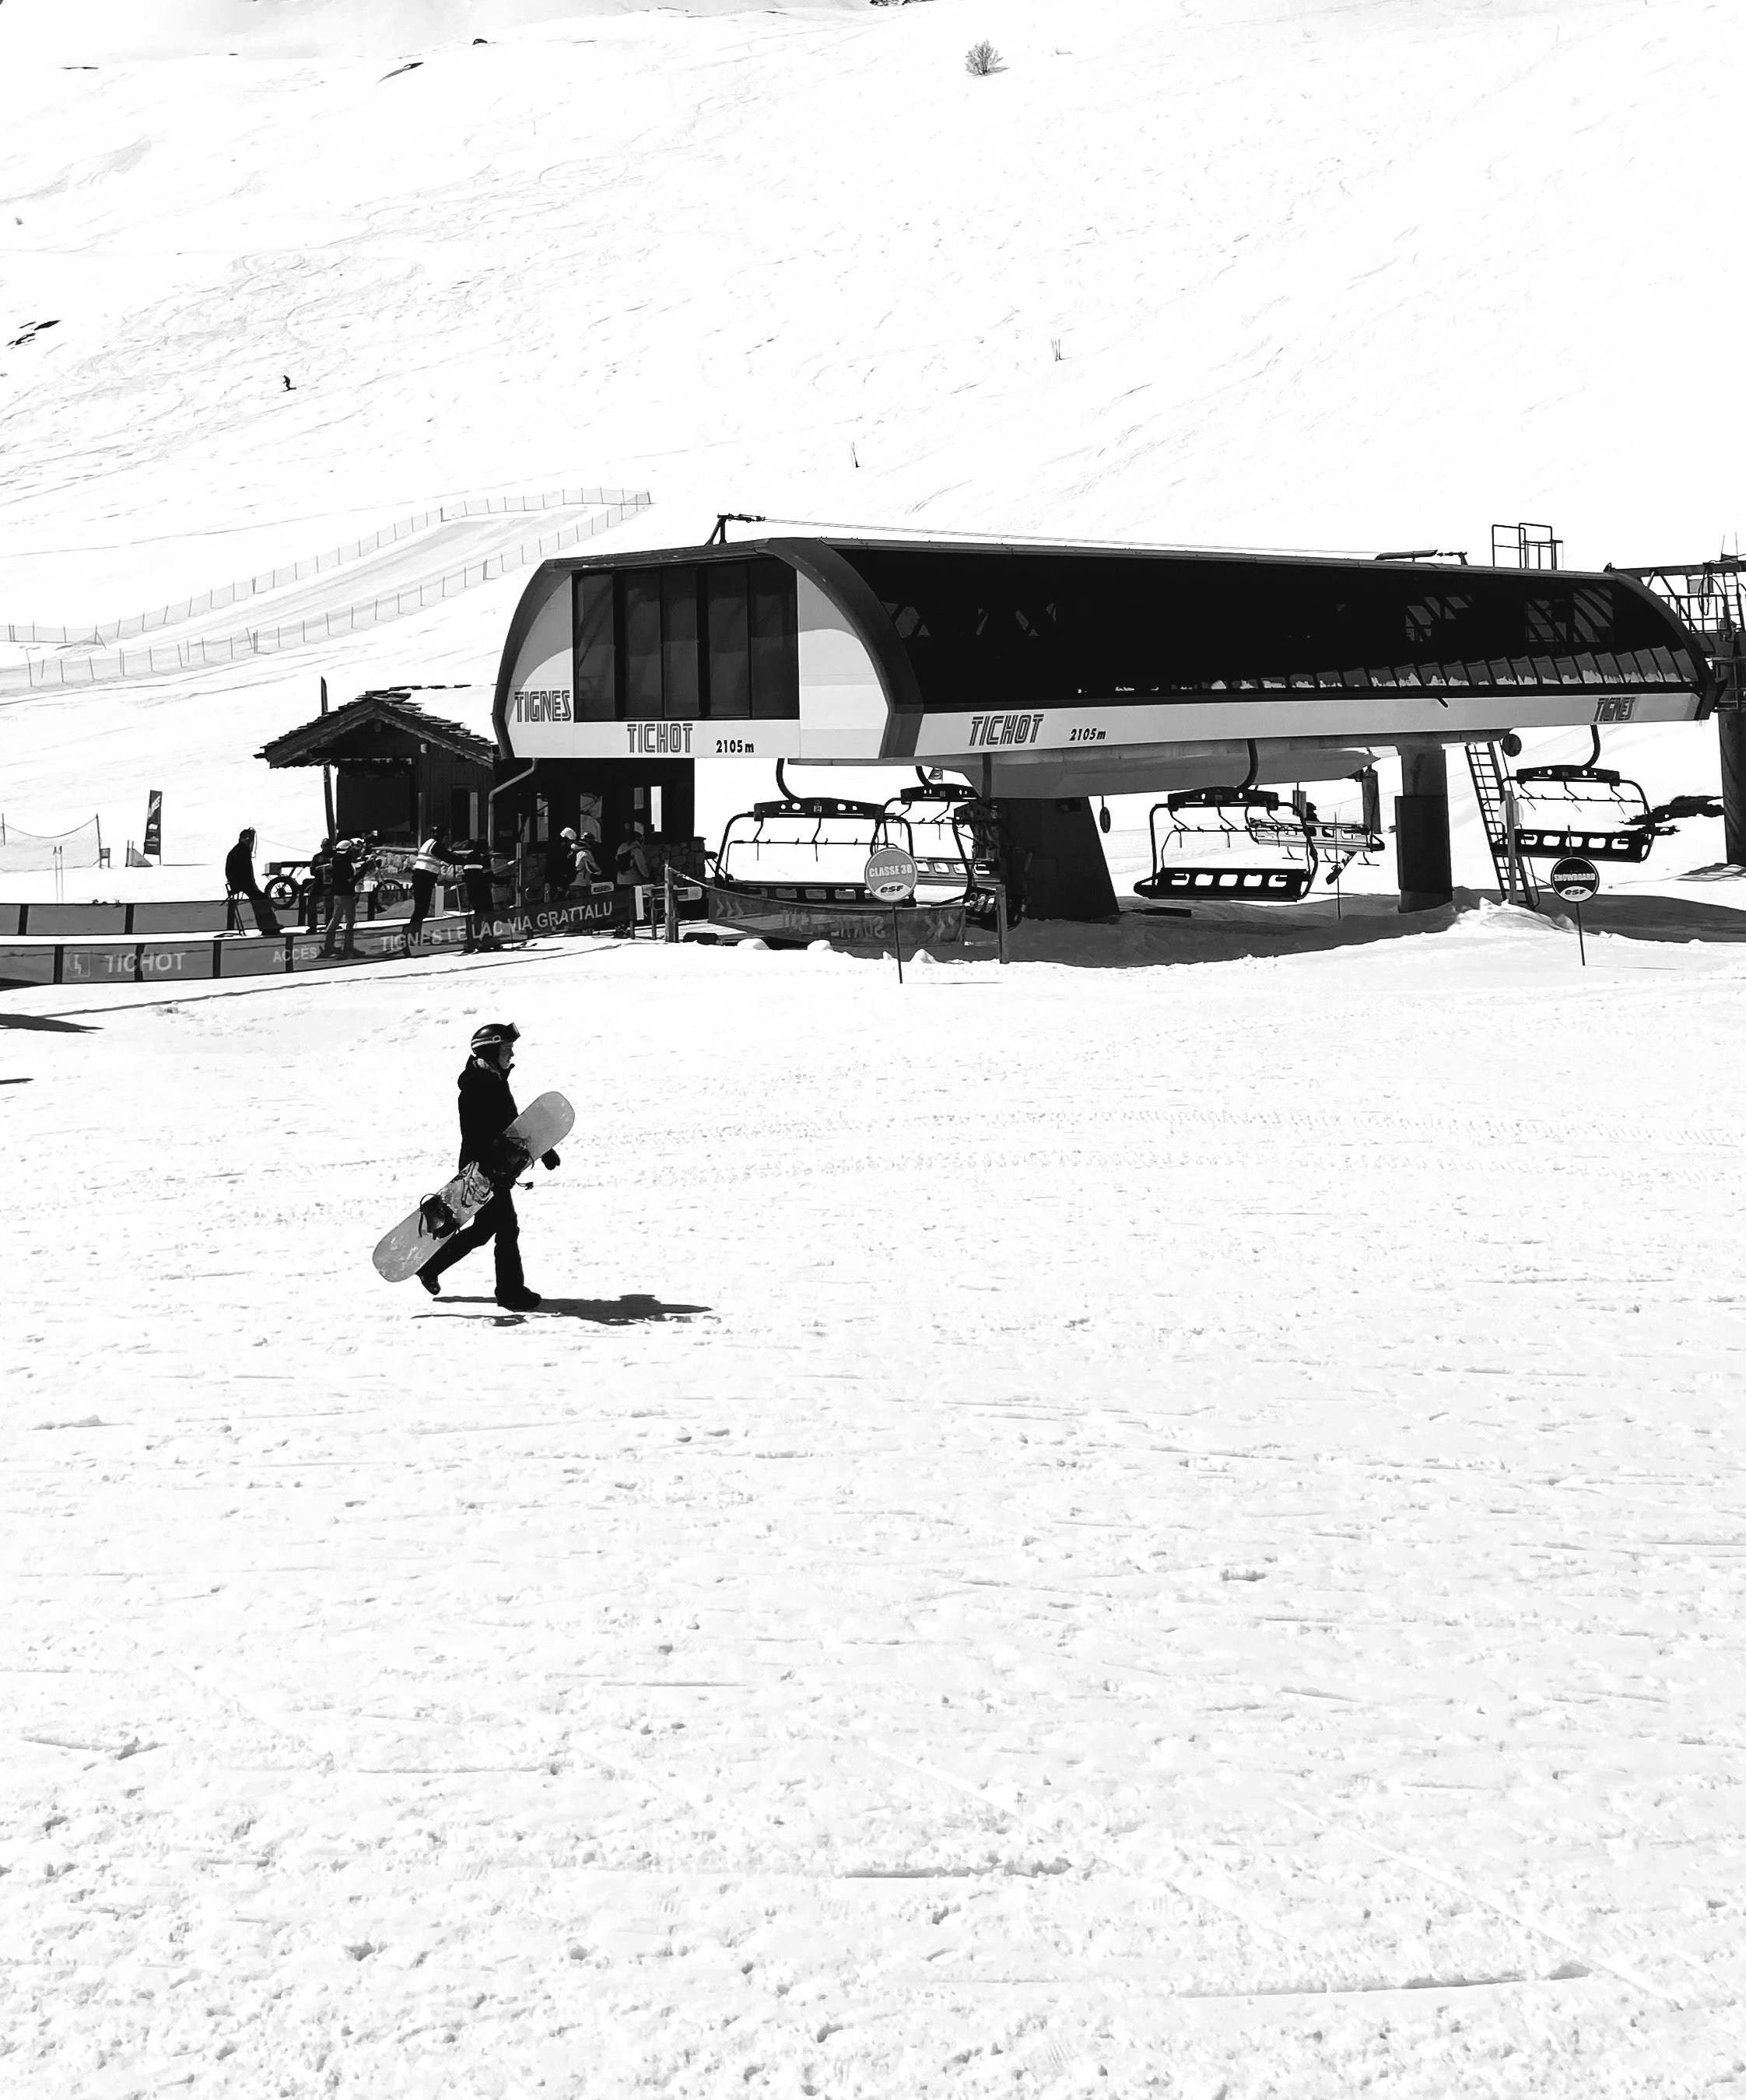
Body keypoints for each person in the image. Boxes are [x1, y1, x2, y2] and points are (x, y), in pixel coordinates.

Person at [418, 1022, 554, 1309]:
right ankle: (510, 1292)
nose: (512, 1055)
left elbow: (513, 1125)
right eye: (507, 1049)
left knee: (487, 1229)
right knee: (506, 1228)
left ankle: (431, 1267)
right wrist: (496, 1167)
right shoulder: (477, 1086)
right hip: (485, 1169)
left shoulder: (493, 1078)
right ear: (491, 1049)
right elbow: (484, 1132)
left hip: (495, 1166)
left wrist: (542, 1150)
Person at [223, 827, 282, 936]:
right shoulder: (240, 851)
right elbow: (240, 871)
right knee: (260, 899)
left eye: (249, 838)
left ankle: (268, 926)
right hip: (242, 883)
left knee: (260, 898)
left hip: (243, 883)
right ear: (241, 839)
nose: (248, 840)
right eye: (246, 838)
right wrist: (241, 883)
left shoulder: (240, 850)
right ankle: (268, 927)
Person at [406, 826, 451, 949]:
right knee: (421, 909)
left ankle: (415, 934)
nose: (447, 839)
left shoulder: (429, 842)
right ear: (443, 836)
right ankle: (412, 936)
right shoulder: (436, 846)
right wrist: (465, 860)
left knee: (421, 908)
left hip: (421, 877)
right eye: (446, 837)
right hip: (424, 878)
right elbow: (448, 857)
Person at [319, 836, 362, 957]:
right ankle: (348, 948)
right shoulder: (345, 864)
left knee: (335, 920)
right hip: (346, 895)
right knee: (350, 921)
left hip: (338, 894)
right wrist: (364, 870)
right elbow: (351, 881)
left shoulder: (337, 860)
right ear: (347, 851)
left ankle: (328, 946)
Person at [458, 838, 500, 952]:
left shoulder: (469, 858)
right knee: (489, 915)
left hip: (472, 891)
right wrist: (506, 880)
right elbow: (489, 876)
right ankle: (487, 940)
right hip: (483, 891)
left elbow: (466, 876)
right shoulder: (483, 858)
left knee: (478, 916)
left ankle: (472, 941)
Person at [545, 827, 579, 902]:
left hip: (561, 884)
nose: (571, 844)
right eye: (570, 842)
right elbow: (556, 869)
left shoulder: (565, 852)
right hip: (555, 884)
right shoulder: (556, 852)